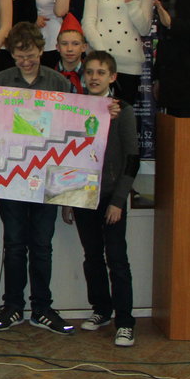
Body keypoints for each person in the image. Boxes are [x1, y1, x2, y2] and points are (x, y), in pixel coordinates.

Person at [0, 22, 77, 334]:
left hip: (48, 178)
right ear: (11, 54)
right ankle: (12, 306)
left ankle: (42, 308)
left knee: (42, 245)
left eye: (31, 55)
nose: (25, 62)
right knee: (14, 244)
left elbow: (73, 131)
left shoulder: (58, 82)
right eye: (19, 57)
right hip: (10, 178)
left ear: (41, 50)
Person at [63, 51, 139, 348]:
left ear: (112, 77)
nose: (94, 78)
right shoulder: (76, 109)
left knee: (117, 259)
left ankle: (125, 322)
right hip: (84, 196)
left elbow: (132, 159)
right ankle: (101, 310)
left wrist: (118, 200)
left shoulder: (123, 111)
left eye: (101, 73)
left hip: (111, 198)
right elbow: (68, 154)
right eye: (90, 72)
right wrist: (68, 197)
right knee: (92, 257)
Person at [82, 0, 153, 104]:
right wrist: (103, 55)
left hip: (129, 65)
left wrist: (130, 1)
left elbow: (144, 29)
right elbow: (88, 22)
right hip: (100, 64)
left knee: (122, 114)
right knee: (97, 113)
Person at [54, 13, 87, 94]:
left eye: (75, 44)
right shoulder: (50, 76)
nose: (69, 49)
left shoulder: (92, 75)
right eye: (64, 44)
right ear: (57, 47)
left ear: (84, 47)